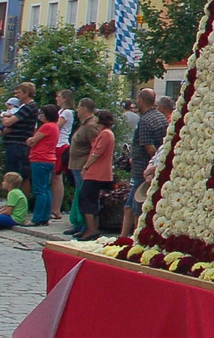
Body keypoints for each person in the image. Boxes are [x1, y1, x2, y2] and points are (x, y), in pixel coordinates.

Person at [123, 89, 167, 237]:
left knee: (137, 207)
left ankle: (136, 236)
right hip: (150, 169)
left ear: (141, 100)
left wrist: (151, 166)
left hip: (143, 171)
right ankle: (123, 237)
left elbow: (150, 148)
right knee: (129, 206)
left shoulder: (145, 121)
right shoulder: (160, 116)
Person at [76, 108, 117, 243]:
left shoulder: (106, 134)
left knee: (87, 199)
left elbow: (96, 153)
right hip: (96, 172)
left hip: (97, 172)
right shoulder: (105, 133)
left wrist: (86, 166)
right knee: (90, 199)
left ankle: (91, 229)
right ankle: (90, 228)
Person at [63, 97, 97, 237]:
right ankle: (78, 223)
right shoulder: (85, 124)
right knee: (79, 194)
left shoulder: (91, 125)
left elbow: (95, 146)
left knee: (83, 195)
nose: (77, 110)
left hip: (83, 166)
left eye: (78, 107)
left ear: (84, 108)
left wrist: (88, 165)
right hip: (76, 165)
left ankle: (85, 226)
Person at [0, 82, 39, 197]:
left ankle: (19, 202)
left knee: (18, 175)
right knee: (16, 174)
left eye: (19, 93)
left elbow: (8, 122)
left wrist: (4, 116)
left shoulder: (28, 107)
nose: (17, 96)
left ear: (26, 93)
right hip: (14, 143)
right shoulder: (23, 107)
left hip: (18, 144)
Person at [26, 104, 61, 226]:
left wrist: (29, 140)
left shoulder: (46, 127)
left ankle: (38, 217)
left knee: (39, 189)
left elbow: (32, 141)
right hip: (50, 159)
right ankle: (45, 216)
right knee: (46, 189)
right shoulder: (55, 127)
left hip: (40, 159)